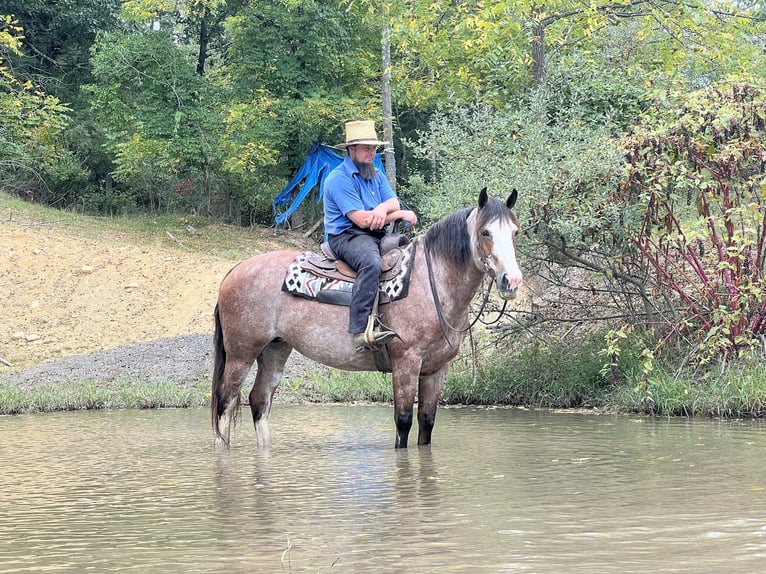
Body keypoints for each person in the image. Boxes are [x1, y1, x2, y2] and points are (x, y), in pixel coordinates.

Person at [323, 120, 418, 352]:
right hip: (347, 236)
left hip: (375, 234)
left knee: (411, 261)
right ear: (351, 149)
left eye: (374, 148)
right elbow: (363, 220)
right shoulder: (338, 178)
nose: (372, 152)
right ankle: (360, 329)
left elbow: (392, 200)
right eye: (367, 148)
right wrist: (399, 213)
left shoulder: (375, 173)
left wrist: (382, 209)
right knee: (371, 263)